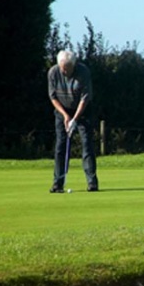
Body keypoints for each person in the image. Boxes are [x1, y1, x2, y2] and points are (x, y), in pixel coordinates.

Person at [48, 50, 99, 193]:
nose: (64, 71)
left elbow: (85, 98)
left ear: (73, 65)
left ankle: (92, 182)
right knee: (60, 146)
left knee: (87, 144)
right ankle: (58, 183)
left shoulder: (83, 72)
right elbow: (53, 97)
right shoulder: (53, 73)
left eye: (67, 68)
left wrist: (75, 119)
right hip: (62, 111)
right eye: (62, 68)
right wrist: (66, 116)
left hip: (83, 112)